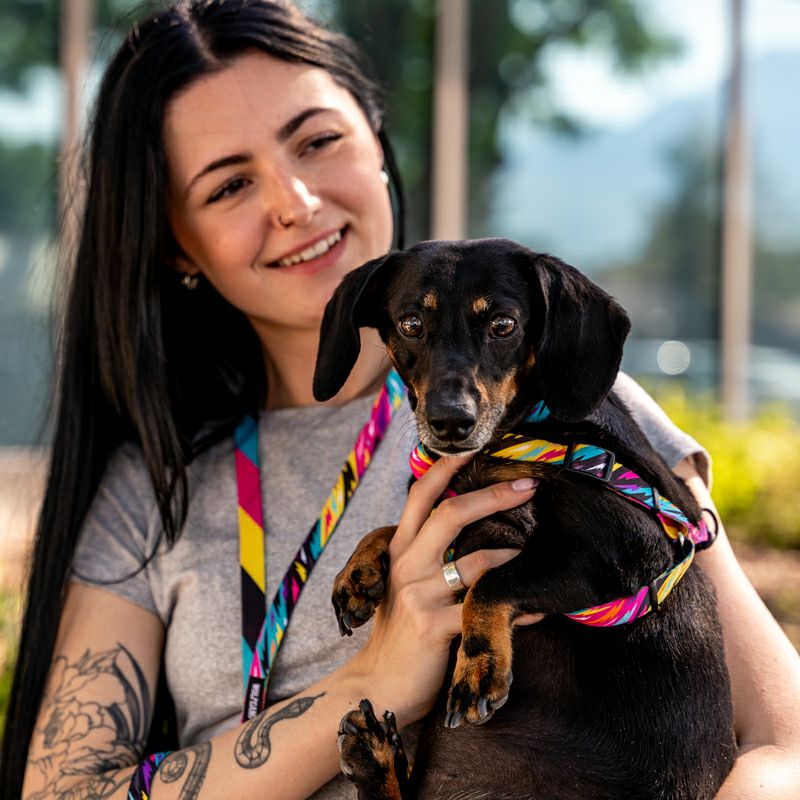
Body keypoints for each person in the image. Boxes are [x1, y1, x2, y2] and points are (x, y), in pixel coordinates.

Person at [2, 1, 799, 798]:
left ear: (378, 144)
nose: (295, 201)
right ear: (176, 241)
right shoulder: (154, 490)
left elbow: (784, 743)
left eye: (317, 141)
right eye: (231, 184)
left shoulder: (569, 410)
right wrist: (371, 680)